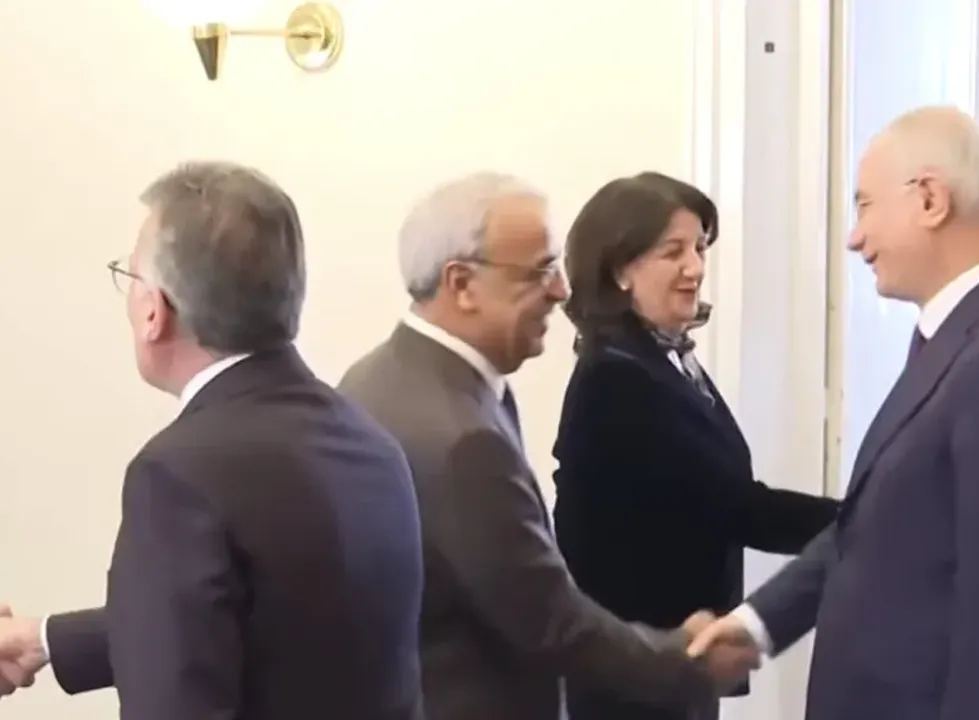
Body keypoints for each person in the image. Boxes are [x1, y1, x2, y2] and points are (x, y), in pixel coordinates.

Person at [685, 106, 979, 720]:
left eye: (864, 206)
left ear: (930, 200)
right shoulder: (973, 334)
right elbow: (877, 524)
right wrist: (758, 624)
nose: (855, 238)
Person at [0, 162, 426, 720]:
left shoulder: (177, 476)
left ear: (154, 312)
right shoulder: (371, 443)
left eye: (131, 277)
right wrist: (45, 640)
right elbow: (269, 621)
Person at [336, 172, 757, 720]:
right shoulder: (464, 439)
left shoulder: (373, 377)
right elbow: (548, 620)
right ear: (461, 283)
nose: (560, 291)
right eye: (539, 271)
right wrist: (685, 659)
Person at [552, 171, 839, 720]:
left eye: (701, 248)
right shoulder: (617, 379)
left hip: (671, 665)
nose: (696, 267)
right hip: (636, 676)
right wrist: (862, 521)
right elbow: (736, 507)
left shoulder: (659, 363)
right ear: (620, 271)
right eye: (673, 251)